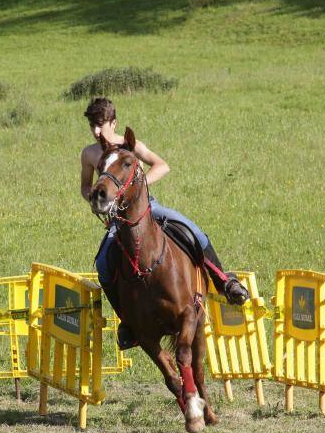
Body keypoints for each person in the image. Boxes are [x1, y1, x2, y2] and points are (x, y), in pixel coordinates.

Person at [80, 97, 249, 349]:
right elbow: (85, 186)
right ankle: (127, 322)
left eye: (101, 124)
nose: (95, 131)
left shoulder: (131, 146)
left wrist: (137, 187)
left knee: (193, 231)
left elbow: (162, 166)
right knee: (104, 263)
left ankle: (225, 281)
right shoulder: (90, 153)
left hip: (148, 207)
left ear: (113, 123)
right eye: (92, 125)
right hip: (117, 218)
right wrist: (94, 197)